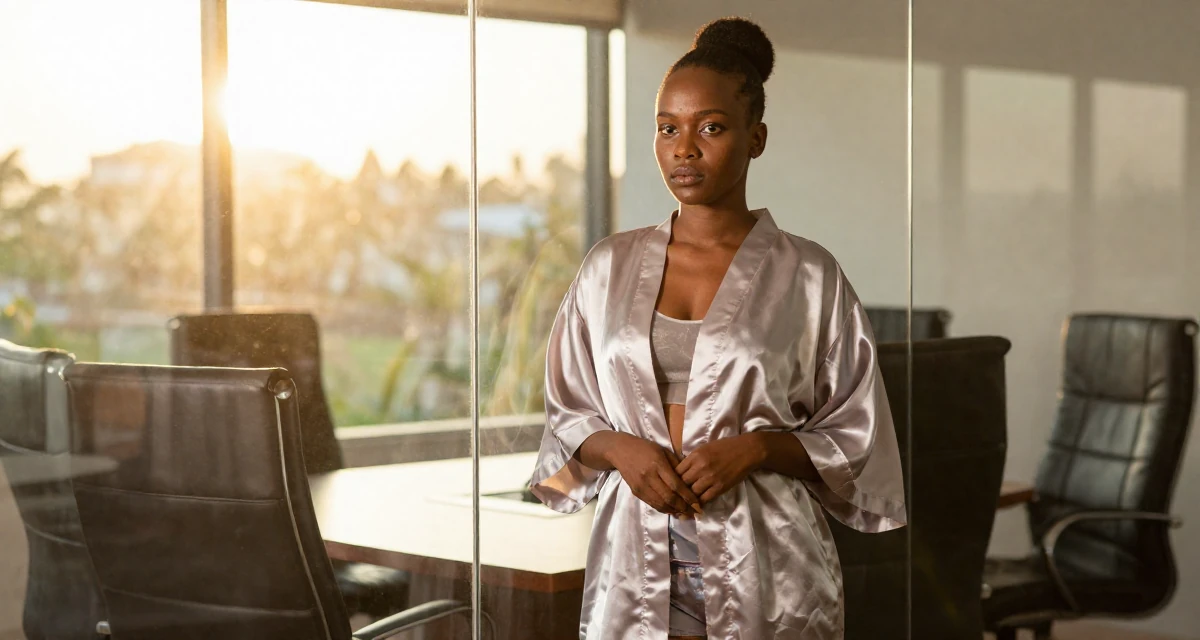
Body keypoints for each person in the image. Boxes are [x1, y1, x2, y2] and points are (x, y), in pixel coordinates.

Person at [529, 17, 906, 640]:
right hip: (634, 560)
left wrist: (756, 448)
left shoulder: (809, 274)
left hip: (768, 564)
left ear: (756, 138)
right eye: (667, 128)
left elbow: (856, 435)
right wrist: (619, 449)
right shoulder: (607, 267)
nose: (684, 149)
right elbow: (569, 414)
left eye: (710, 127)